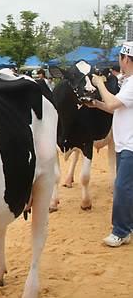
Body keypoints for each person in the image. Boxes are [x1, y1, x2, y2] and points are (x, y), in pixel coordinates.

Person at [88, 41, 133, 247]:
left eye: (120, 57)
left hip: (130, 147)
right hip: (124, 144)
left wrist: (100, 84)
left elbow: (114, 103)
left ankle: (120, 231)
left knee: (122, 188)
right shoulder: (128, 82)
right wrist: (95, 104)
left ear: (125, 58)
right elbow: (116, 108)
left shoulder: (132, 83)